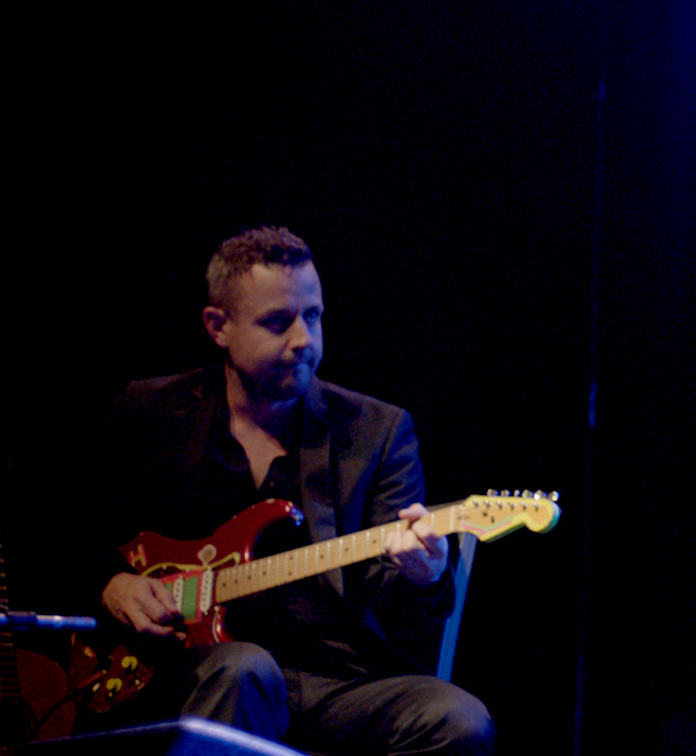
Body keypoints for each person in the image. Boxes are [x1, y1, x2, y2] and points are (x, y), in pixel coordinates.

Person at [86, 227, 493, 755]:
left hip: (333, 680)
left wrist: (424, 576)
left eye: (314, 316)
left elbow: (399, 615)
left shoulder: (376, 432)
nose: (304, 339)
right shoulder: (153, 413)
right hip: (196, 671)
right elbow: (71, 531)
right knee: (243, 670)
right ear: (218, 325)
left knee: (460, 721)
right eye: (278, 322)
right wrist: (112, 582)